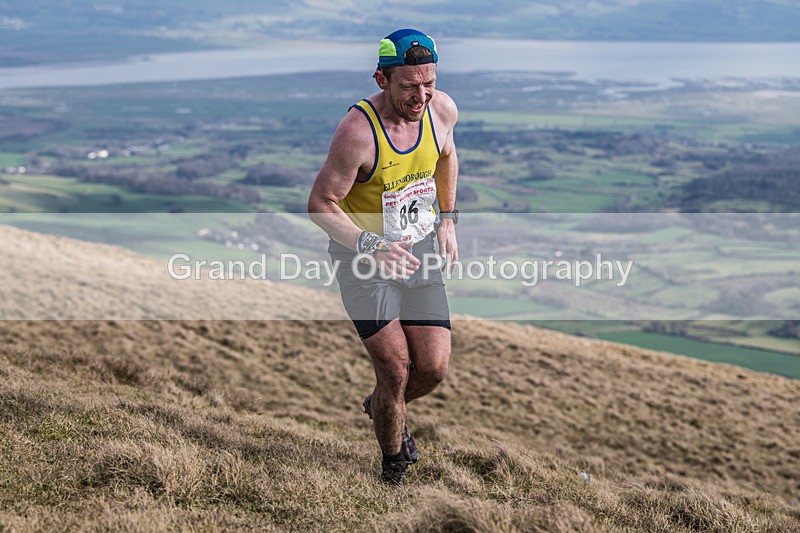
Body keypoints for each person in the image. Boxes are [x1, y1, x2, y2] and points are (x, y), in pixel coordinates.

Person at [307, 28, 459, 487]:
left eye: (428, 82)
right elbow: (320, 204)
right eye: (409, 85)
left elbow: (447, 156)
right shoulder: (358, 131)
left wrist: (448, 219)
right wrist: (370, 245)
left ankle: (381, 406)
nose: (422, 95)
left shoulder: (442, 110)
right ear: (382, 78)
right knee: (394, 368)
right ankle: (393, 466)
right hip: (364, 262)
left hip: (419, 252)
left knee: (432, 368)